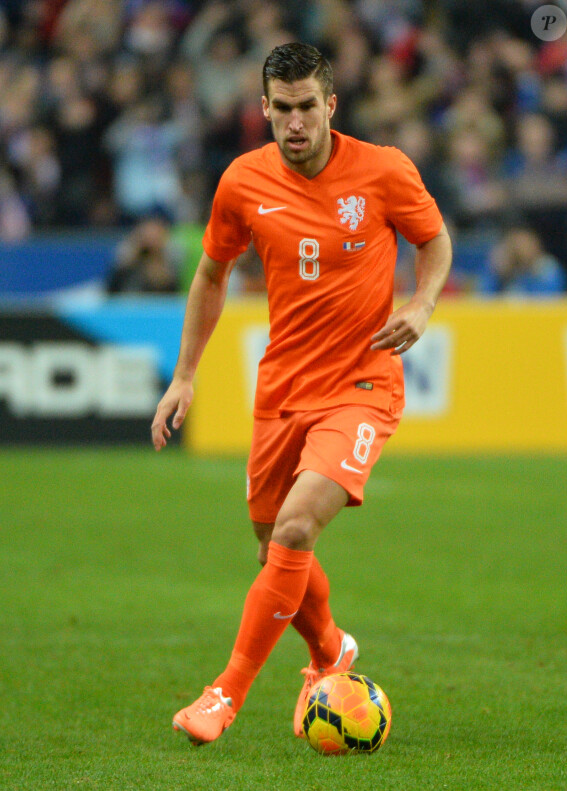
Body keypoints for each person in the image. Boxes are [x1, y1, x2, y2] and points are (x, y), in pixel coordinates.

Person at [151, 42, 452, 746]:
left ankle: (223, 694)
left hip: (362, 383)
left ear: (330, 106)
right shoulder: (241, 181)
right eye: (281, 109)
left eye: (306, 108)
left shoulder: (382, 171)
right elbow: (211, 274)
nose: (294, 123)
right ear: (263, 108)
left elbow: (434, 242)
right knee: (274, 549)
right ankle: (329, 653)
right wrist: (185, 374)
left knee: (293, 528)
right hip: (282, 386)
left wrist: (425, 303)